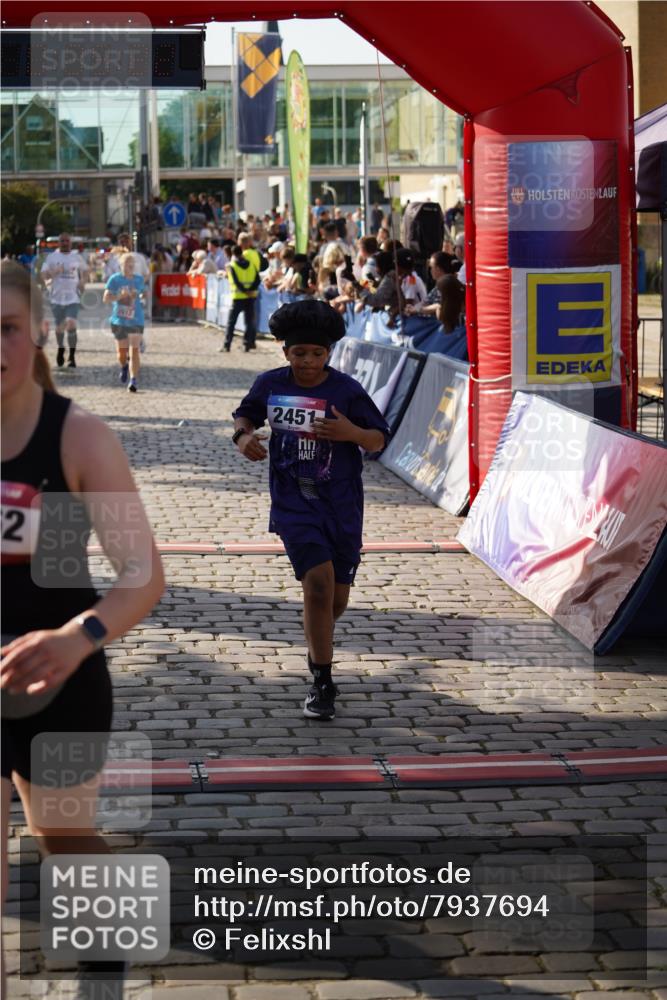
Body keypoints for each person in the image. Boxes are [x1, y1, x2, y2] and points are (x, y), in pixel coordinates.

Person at [1, 260, 165, 998]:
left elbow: (142, 574)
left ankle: (106, 959)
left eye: (5, 328)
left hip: (59, 681)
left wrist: (77, 637)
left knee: (63, 840)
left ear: (37, 328)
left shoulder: (79, 436)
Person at [232, 299, 389, 720]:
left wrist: (349, 432)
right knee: (318, 587)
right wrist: (242, 438)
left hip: (341, 505)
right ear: (285, 352)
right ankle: (323, 681)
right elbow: (245, 417)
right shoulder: (270, 384)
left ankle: (317, 637)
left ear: (329, 354)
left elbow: (377, 440)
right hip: (292, 502)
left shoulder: (346, 391)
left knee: (333, 600)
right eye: (299, 353)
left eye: (316, 353)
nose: (307, 361)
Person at [38, 232, 88, 370]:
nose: (65, 243)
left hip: (73, 297)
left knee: (71, 324)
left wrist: (83, 281)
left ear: (70, 243)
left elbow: (85, 272)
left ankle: (72, 356)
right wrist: (55, 271)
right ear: (59, 243)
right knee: (60, 327)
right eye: (62, 241)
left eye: (67, 241)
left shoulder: (76, 256)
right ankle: (61, 348)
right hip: (56, 297)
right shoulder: (52, 257)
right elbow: (43, 275)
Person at [103, 252, 146, 393]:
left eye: (132, 263)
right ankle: (123, 366)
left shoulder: (138, 279)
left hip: (136, 319)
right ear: (121, 265)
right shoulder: (115, 279)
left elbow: (144, 293)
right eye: (128, 263)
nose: (131, 266)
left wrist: (138, 294)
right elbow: (106, 298)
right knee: (122, 354)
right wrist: (118, 296)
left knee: (134, 351)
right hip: (119, 320)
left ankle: (133, 380)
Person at [223, 244, 259, 353]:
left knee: (231, 322)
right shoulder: (252, 265)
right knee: (249, 322)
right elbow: (257, 280)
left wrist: (244, 291)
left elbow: (236, 282)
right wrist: (250, 290)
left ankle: (227, 345)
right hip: (250, 297)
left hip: (238, 297)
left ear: (233, 254)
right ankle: (247, 344)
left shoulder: (232, 266)